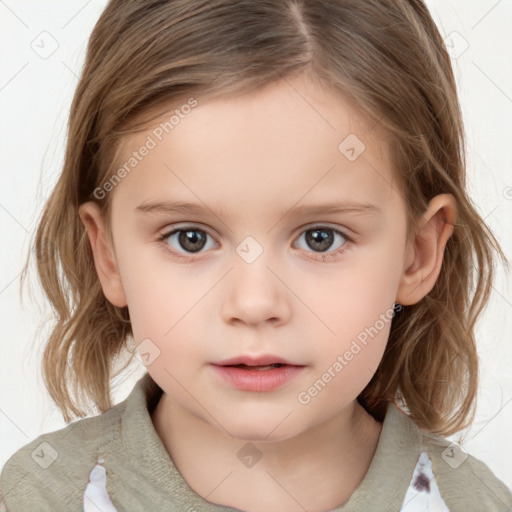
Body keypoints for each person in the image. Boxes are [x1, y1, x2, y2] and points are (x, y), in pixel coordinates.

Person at [1, 0, 511, 510]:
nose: (253, 303)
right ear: (108, 255)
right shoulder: (40, 496)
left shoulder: (473, 502)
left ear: (416, 255)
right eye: (190, 238)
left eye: (320, 238)